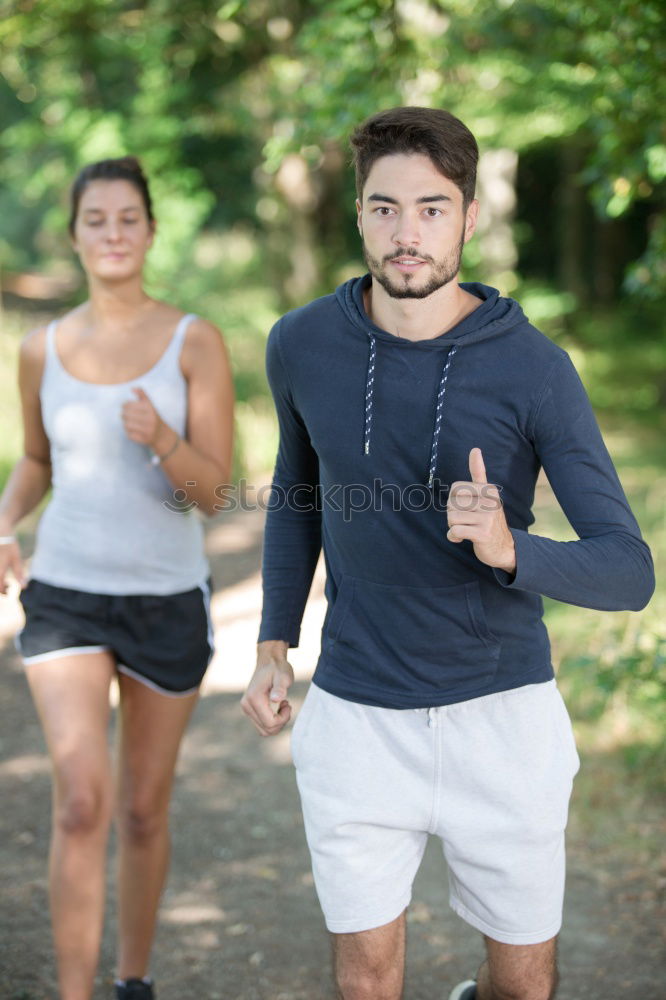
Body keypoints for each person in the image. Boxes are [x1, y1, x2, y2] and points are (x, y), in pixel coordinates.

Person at [240, 107, 654, 1000]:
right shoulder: (301, 344)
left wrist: (512, 549)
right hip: (356, 713)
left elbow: (630, 569)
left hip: (501, 718)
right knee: (366, 981)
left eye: (432, 208)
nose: (406, 233)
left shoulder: (534, 369)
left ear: (470, 216)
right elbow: (296, 498)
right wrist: (275, 642)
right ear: (357, 213)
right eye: (384, 208)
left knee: (524, 985)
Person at [0, 156, 234, 1000]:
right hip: (65, 595)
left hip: (168, 600)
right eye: (95, 219)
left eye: (128, 217)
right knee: (80, 803)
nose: (112, 233)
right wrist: (2, 521)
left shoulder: (193, 340)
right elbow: (34, 460)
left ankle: (132, 980)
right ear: (73, 235)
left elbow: (215, 493)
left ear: (151, 230)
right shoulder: (40, 348)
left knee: (140, 810)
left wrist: (163, 440)